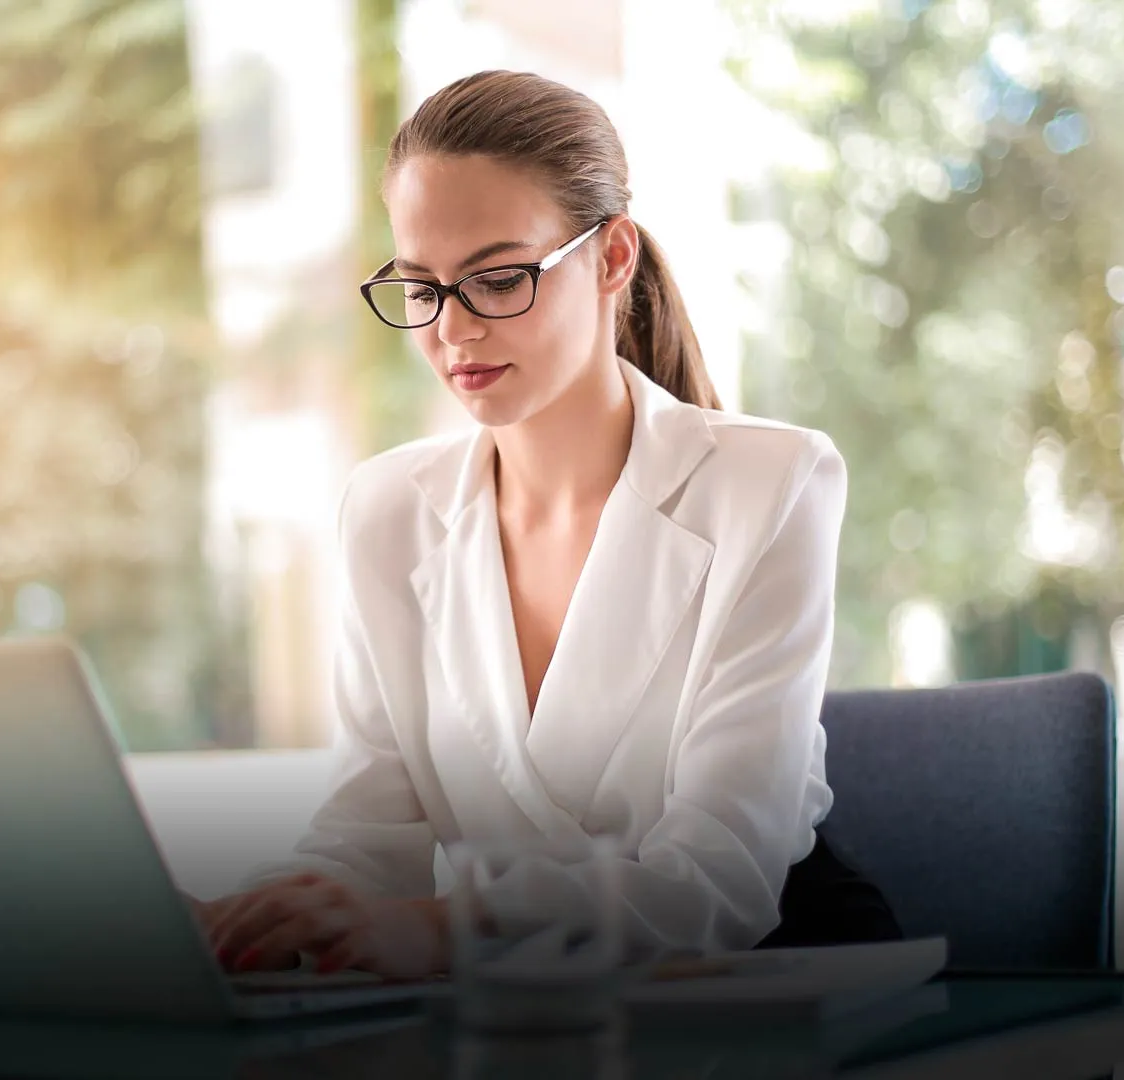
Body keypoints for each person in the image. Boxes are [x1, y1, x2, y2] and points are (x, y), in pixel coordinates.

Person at [197, 70, 900, 979]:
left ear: (612, 259)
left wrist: (437, 932)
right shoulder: (387, 510)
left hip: (768, 980)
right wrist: (252, 919)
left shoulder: (773, 481)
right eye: (422, 286)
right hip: (525, 999)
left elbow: (716, 882)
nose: (453, 331)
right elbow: (367, 839)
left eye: (497, 279)